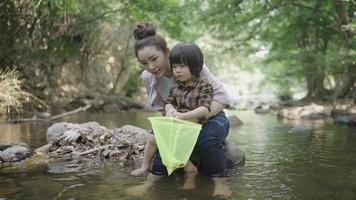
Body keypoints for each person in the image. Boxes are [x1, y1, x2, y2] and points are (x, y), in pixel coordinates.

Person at [128, 22, 232, 197]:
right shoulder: (148, 77)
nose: (151, 67)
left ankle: (221, 182)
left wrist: (191, 118)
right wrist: (171, 117)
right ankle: (151, 183)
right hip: (180, 121)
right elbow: (165, 106)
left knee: (206, 140)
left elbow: (222, 98)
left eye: (154, 59)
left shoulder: (193, 66)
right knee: (164, 142)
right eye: (144, 63)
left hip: (210, 117)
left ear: (167, 53)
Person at [131, 42, 213, 177]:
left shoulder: (204, 84)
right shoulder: (176, 84)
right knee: (152, 138)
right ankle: (145, 166)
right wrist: (169, 110)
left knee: (170, 140)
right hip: (177, 119)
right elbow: (169, 102)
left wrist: (182, 116)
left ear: (195, 67)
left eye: (182, 66)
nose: (177, 70)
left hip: (192, 121)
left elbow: (205, 109)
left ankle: (189, 168)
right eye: (175, 67)